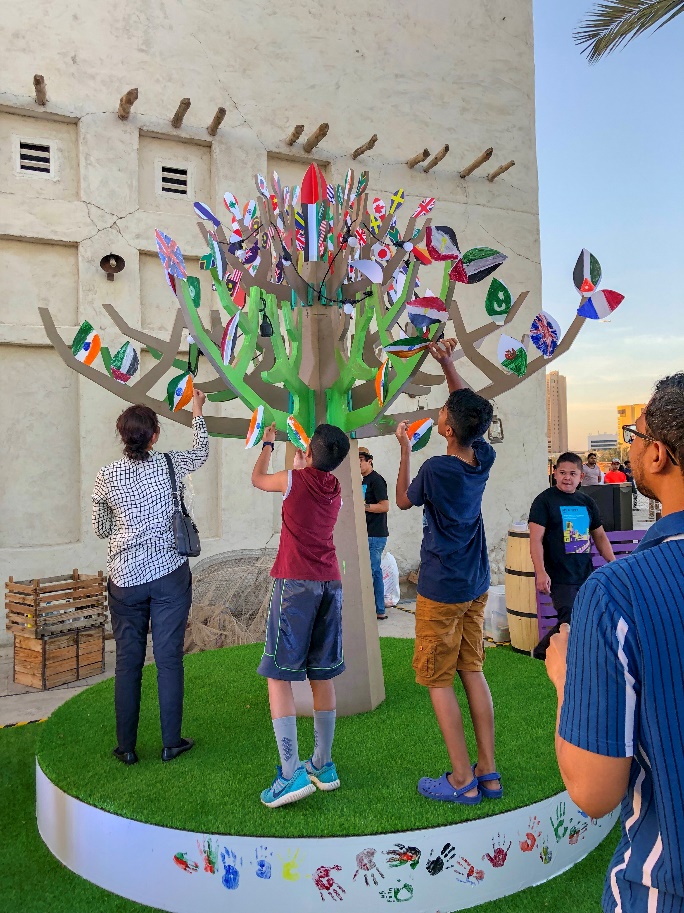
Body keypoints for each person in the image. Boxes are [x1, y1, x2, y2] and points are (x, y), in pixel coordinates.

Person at [546, 374, 684, 913]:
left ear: (658, 455)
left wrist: (566, 682)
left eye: (636, 432)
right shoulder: (547, 504)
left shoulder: (620, 594)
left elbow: (593, 791)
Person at [394, 338, 500, 806]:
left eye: (442, 414)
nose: (439, 413)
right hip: (476, 584)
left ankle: (461, 779)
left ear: (448, 431)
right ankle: (488, 772)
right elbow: (468, 412)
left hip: (441, 589)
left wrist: (402, 451)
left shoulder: (435, 468)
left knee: (439, 679)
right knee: (472, 671)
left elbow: (402, 500)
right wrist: (448, 364)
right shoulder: (482, 457)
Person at [92, 390, 209, 765]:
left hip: (125, 579)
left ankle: (126, 747)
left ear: (123, 436)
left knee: (128, 661)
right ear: (155, 435)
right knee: (169, 657)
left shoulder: (106, 475)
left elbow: (100, 528)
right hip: (169, 575)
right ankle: (170, 742)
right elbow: (201, 451)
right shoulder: (171, 465)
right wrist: (197, 410)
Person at [252, 422, 350, 808]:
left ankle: (290, 773)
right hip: (330, 584)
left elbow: (259, 479)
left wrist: (267, 444)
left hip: (295, 585)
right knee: (321, 673)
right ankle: (323, 766)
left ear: (309, 453)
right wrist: (302, 464)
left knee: (278, 676)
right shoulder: (337, 487)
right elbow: (307, 484)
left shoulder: (293, 479)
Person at [529, 452, 615, 660]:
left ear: (581, 477)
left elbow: (600, 536)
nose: (567, 477)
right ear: (555, 474)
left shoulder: (586, 502)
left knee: (586, 615)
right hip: (558, 574)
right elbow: (535, 540)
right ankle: (542, 651)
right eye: (562, 473)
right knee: (569, 615)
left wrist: (614, 565)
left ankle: (553, 652)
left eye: (572, 473)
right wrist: (540, 572)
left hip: (584, 572)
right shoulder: (544, 501)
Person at [358, 448, 390, 620]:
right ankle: (370, 607)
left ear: (369, 461)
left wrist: (363, 506)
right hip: (365, 533)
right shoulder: (360, 480)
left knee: (373, 571)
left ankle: (379, 609)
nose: (358, 463)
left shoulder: (376, 480)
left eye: (361, 459)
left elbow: (385, 506)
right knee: (367, 571)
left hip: (375, 534)